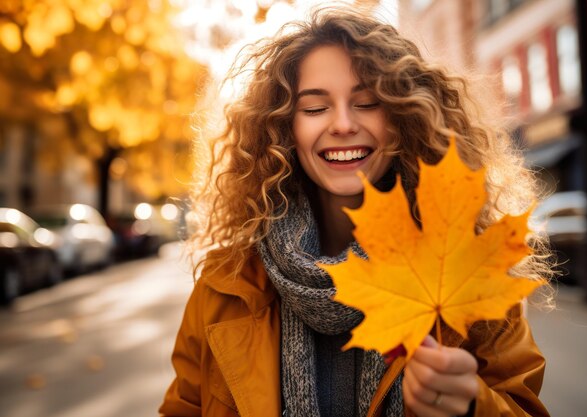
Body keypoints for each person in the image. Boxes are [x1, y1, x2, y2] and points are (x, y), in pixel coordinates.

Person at [159, 8, 552, 417]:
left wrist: (473, 406)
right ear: (283, 130)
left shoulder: (467, 269)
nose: (343, 124)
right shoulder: (225, 287)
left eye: (367, 103)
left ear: (402, 119)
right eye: (314, 109)